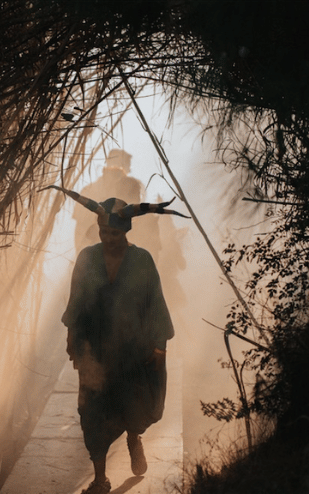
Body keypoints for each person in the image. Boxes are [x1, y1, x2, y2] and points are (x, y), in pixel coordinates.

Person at [45, 185, 188, 494]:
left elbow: (155, 304)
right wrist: (73, 340)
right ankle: (100, 479)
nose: (108, 239)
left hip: (133, 351)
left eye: (114, 234)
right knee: (92, 411)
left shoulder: (142, 261)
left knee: (137, 407)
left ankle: (134, 437)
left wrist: (159, 345)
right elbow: (76, 302)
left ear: (125, 232)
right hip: (95, 351)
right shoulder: (87, 259)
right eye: (104, 232)